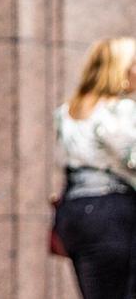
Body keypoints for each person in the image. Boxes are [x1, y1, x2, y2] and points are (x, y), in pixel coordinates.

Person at [54, 37, 136, 298]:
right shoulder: (118, 111)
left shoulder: (68, 111)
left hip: (75, 212)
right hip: (111, 212)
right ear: (121, 70)